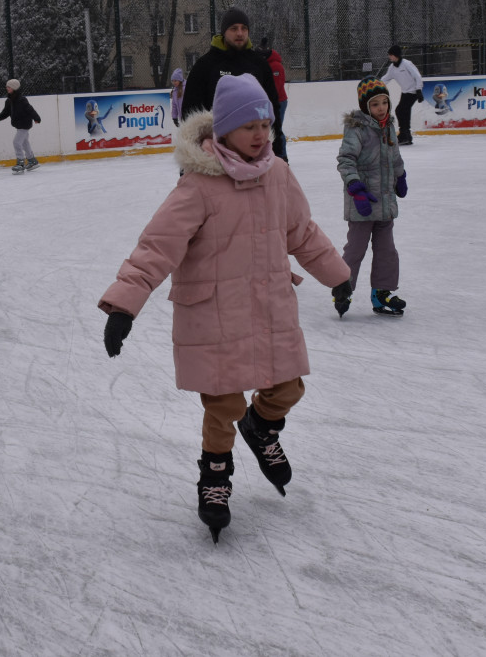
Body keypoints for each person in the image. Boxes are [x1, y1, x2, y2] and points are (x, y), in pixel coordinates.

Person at [98, 74, 350, 543]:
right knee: (222, 405)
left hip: (269, 306)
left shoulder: (277, 173)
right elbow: (157, 246)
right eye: (250, 124)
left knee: (288, 387)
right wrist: (124, 306)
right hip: (214, 314)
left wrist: (338, 274)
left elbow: (303, 232)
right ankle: (215, 478)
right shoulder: (198, 185)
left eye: (266, 124)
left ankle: (262, 429)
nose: (260, 134)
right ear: (224, 130)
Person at [334, 77, 408, 317]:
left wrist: (401, 176)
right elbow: (346, 160)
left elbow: (395, 157)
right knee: (355, 250)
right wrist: (355, 187)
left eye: (384, 102)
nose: (381, 108)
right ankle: (343, 289)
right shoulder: (357, 128)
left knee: (387, 251)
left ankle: (382, 293)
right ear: (366, 106)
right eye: (375, 104)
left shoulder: (389, 126)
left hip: (385, 203)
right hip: (363, 203)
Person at [180, 8, 285, 160]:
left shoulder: (259, 65)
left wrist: (278, 152)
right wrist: (193, 157)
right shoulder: (205, 65)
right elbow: (191, 113)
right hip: (215, 153)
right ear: (224, 32)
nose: (240, 33)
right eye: (234, 28)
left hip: (255, 151)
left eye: (244, 28)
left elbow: (272, 107)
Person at [0, 79, 41, 173]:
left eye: (9, 87)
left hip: (24, 124)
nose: (7, 88)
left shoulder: (22, 100)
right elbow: (5, 112)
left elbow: (30, 109)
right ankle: (32, 161)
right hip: (18, 125)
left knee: (16, 142)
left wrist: (36, 118)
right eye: (7, 86)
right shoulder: (9, 101)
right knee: (24, 142)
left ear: (14, 88)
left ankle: (20, 162)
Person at [381, 45, 423, 145]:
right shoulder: (392, 67)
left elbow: (417, 76)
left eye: (390, 55)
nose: (389, 57)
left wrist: (419, 90)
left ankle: (405, 134)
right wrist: (376, 84)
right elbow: (386, 78)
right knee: (402, 111)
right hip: (405, 92)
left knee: (401, 110)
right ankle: (406, 135)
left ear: (396, 55)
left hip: (413, 92)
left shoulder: (407, 64)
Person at [260, 38, 289, 160]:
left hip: (279, 102)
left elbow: (276, 87)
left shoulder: (276, 66)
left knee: (277, 128)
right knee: (272, 128)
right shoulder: (267, 65)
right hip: (272, 101)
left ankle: (282, 155)